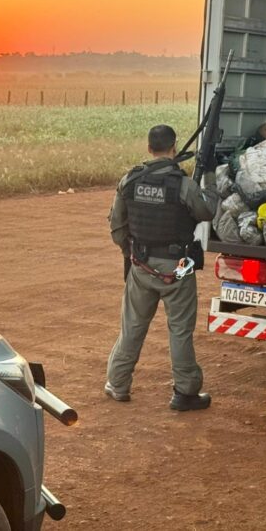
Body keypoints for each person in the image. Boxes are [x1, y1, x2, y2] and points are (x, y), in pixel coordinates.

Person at [105, 124, 218, 410]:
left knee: (131, 327)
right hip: (178, 266)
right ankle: (184, 392)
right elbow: (207, 212)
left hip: (142, 265)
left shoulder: (130, 179)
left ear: (148, 148)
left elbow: (117, 227)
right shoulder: (183, 184)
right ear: (174, 147)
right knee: (179, 330)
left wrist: (130, 255)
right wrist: (211, 179)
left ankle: (118, 384)